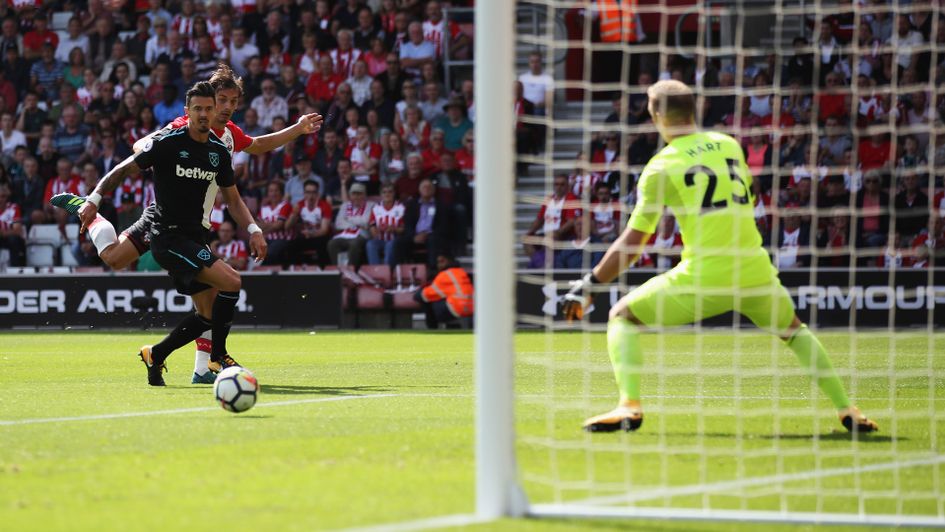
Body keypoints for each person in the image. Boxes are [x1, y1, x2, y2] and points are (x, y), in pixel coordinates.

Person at [561, 80, 877, 434]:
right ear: (694, 110)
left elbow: (636, 241)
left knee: (622, 316)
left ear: (656, 115)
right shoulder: (729, 146)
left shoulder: (661, 166)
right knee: (795, 332)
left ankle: (629, 406)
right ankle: (847, 408)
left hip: (706, 275)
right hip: (755, 269)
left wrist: (591, 283)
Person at [50, 66, 322, 384]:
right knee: (214, 287)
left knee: (197, 303)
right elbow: (141, 147)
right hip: (165, 221)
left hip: (193, 226)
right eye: (220, 100)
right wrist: (149, 149)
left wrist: (299, 129)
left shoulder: (226, 140)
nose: (224, 108)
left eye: (232, 101)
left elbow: (259, 146)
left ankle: (177, 361)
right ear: (200, 105)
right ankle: (214, 361)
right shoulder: (183, 127)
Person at [75, 82, 264, 387]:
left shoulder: (218, 153)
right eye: (198, 109)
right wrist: (95, 198)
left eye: (209, 108)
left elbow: (233, 199)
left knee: (206, 312)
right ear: (186, 112)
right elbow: (122, 169)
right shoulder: (167, 143)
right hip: (167, 235)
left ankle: (157, 354)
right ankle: (218, 356)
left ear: (217, 112)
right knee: (231, 281)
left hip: (195, 235)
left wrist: (254, 229)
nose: (204, 114)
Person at [413, 253, 473, 329]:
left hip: (456, 308)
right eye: (438, 262)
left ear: (450, 261)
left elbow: (424, 295)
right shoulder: (461, 272)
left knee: (429, 300)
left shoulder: (445, 275)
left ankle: (432, 329)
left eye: (442, 261)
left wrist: (418, 292)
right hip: (471, 308)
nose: (439, 265)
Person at [286, 179, 333, 267]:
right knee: (290, 246)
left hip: (319, 236)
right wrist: (293, 215)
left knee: (322, 245)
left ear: (318, 194)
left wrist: (311, 234)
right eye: (308, 192)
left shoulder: (325, 206)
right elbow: (287, 227)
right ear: (304, 193)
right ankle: (294, 272)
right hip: (304, 237)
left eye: (313, 192)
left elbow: (324, 230)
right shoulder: (299, 205)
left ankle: (323, 272)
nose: (310, 196)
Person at [328, 182, 373, 266]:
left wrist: (348, 219)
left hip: (362, 235)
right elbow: (338, 224)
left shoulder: (371, 205)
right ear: (350, 196)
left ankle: (351, 271)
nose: (356, 197)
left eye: (359, 194)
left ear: (364, 195)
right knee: (332, 244)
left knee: (354, 244)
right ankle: (338, 270)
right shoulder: (344, 206)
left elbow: (366, 222)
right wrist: (357, 223)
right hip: (344, 235)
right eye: (354, 194)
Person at [366, 183, 405, 266]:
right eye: (384, 192)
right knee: (370, 244)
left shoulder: (401, 207)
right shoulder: (376, 208)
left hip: (395, 239)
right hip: (380, 239)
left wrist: (394, 229)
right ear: (380, 194)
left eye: (390, 192)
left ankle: (387, 271)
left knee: (390, 245)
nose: (387, 194)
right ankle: (375, 270)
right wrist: (373, 230)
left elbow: (404, 228)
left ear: (394, 193)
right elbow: (372, 225)